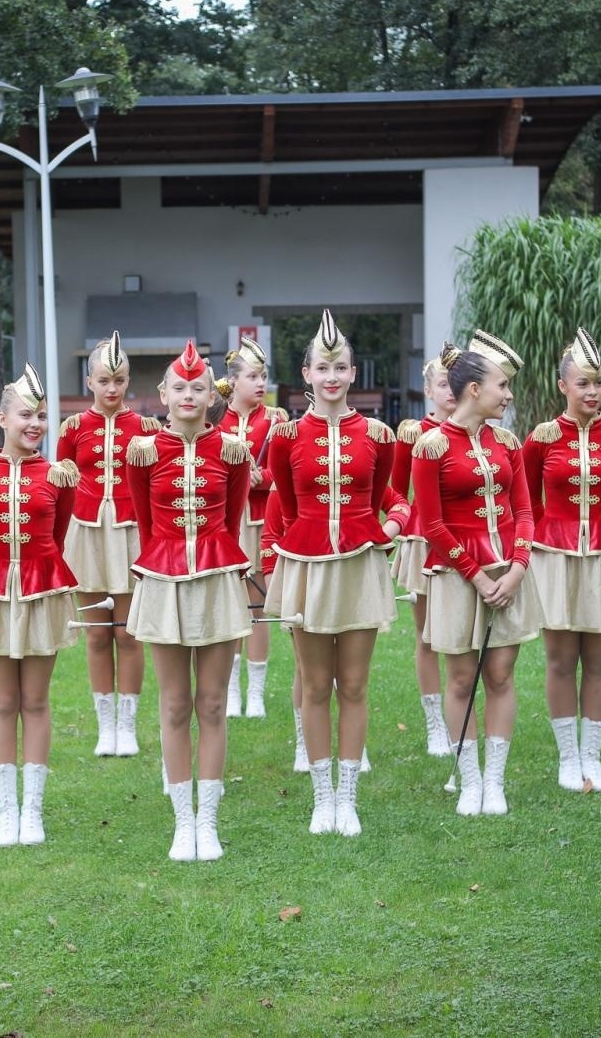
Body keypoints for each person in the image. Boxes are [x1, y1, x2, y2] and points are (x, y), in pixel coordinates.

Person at [265, 311, 399, 836]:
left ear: (353, 373)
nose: (333, 378)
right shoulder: (286, 437)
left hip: (361, 564)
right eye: (323, 368)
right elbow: (289, 500)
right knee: (316, 684)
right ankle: (323, 797)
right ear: (307, 374)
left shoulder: (379, 435)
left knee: (356, 684)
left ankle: (350, 797)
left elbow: (380, 491)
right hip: (308, 567)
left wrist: (381, 530)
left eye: (341, 367)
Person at [126, 341, 252, 861]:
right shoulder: (145, 450)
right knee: (176, 704)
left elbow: (235, 512)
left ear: (211, 394)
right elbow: (145, 520)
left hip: (219, 576)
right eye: (178, 387)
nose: (187, 395)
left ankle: (209, 819)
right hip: (164, 577)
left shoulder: (231, 450)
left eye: (197, 387)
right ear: (162, 394)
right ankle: (183, 823)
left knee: (214, 703)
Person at [412, 331, 542, 816]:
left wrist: (517, 568)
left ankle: (495, 780)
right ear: (473, 390)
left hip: (507, 571)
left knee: (502, 674)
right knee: (463, 678)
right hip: (457, 576)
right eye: (502, 385)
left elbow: (526, 512)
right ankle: (469, 781)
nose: (508, 395)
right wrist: (477, 576)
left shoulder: (508, 443)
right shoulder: (431, 446)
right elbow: (431, 524)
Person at [0, 364, 80, 846]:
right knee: (3, 701)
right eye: (26, 414)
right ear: (2, 418)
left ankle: (33, 810)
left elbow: (58, 534)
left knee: (35, 699)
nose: (35, 424)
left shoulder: (59, 476)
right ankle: (5, 811)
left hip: (42, 588)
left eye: (42, 416)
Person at [521, 330, 601, 792]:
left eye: (599, 383)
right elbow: (528, 501)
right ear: (562, 386)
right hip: (556, 555)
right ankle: (568, 757)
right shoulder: (542, 438)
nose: (592, 392)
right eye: (583, 384)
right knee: (561, 659)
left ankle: (593, 754)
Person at [56, 332, 157, 758]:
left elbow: (155, 490)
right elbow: (59, 491)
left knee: (129, 634)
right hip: (86, 533)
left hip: (131, 534)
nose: (112, 388)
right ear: (89, 381)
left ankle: (128, 726)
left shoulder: (146, 429)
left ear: (128, 380)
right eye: (103, 380)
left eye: (119, 380)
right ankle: (105, 726)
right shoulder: (73, 428)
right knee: (97, 634)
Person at [390, 344, 461, 759]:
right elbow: (397, 490)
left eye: (456, 383)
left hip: (468, 538)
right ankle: (435, 722)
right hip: (423, 541)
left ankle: (463, 717)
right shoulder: (413, 433)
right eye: (442, 383)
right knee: (427, 635)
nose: (450, 391)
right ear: (428, 390)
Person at [215, 337, 288, 718]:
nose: (261, 384)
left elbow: (284, 471)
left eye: (264, 376)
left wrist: (260, 479)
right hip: (225, 521)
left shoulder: (276, 420)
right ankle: (230, 692)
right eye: (253, 377)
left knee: (256, 603)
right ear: (233, 382)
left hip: (259, 520)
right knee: (230, 604)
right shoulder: (215, 422)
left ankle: (255, 693)